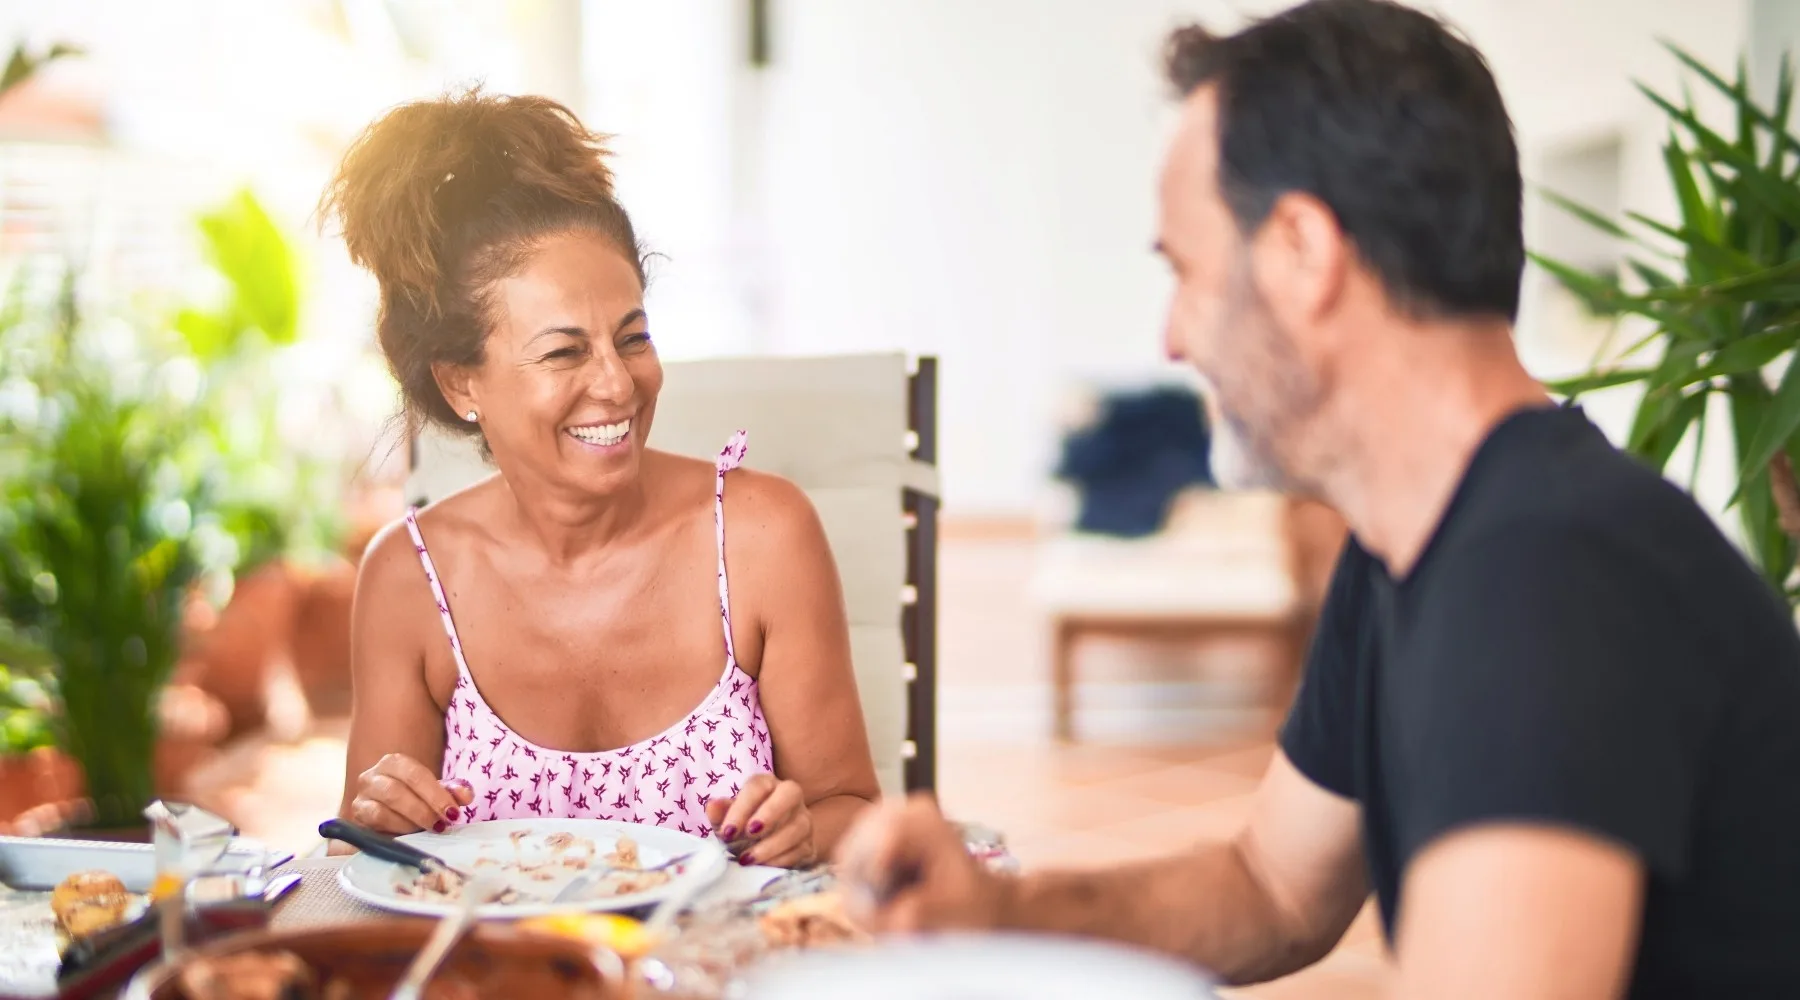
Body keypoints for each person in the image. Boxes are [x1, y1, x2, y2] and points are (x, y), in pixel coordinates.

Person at [836, 0, 1800, 995]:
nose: (1173, 338)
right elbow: (1272, 888)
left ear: (1302, 249)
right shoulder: (1415, 538)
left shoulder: (1546, 577)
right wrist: (1000, 915)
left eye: (1186, 271)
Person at [323, 90, 879, 868]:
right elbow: (371, 857)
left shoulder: (761, 537)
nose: (618, 385)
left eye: (633, 337)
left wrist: (808, 829)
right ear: (461, 385)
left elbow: (851, 806)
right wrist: (381, 818)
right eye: (563, 353)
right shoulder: (405, 579)